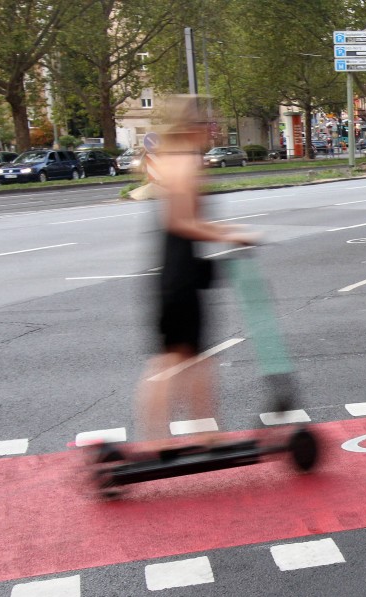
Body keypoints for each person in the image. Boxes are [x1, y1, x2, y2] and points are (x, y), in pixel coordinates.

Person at [134, 95, 259, 452]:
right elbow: (182, 222)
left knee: (186, 357)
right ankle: (162, 440)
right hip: (181, 273)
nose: (215, 130)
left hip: (176, 269)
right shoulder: (187, 164)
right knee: (177, 358)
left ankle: (194, 433)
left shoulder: (172, 159)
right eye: (210, 124)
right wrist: (231, 233)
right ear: (192, 128)